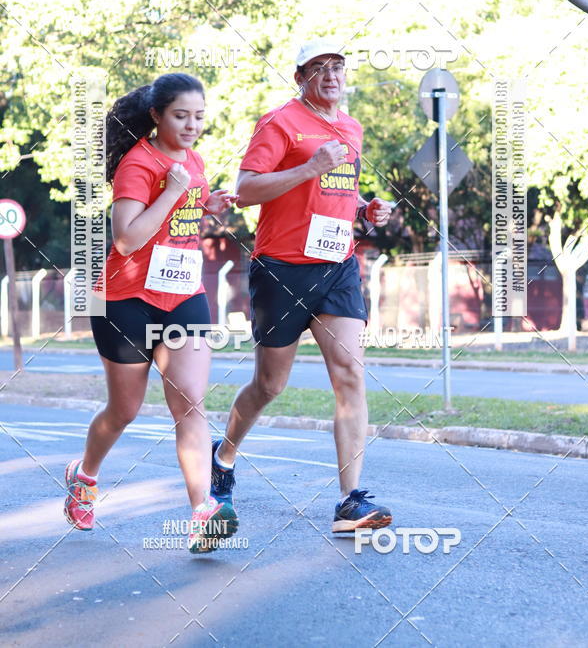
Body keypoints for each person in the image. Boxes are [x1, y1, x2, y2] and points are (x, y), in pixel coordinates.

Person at [210, 39, 393, 533]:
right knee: (270, 384)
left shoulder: (351, 128)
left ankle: (349, 500)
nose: (331, 76)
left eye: (338, 67)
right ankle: (224, 455)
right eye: (319, 69)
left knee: (351, 375)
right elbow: (246, 190)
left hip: (337, 266)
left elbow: (336, 197)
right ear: (300, 78)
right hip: (282, 268)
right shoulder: (280, 123)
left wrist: (365, 212)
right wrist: (311, 165)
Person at [64, 72, 238, 553]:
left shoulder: (194, 162)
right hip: (125, 301)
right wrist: (171, 191)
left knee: (190, 403)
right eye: (181, 116)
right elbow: (127, 238)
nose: (191, 126)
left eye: (199, 117)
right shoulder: (138, 164)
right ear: (156, 116)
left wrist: (207, 204)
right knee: (125, 410)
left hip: (182, 294)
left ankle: (203, 512)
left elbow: (182, 216)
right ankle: (85, 475)